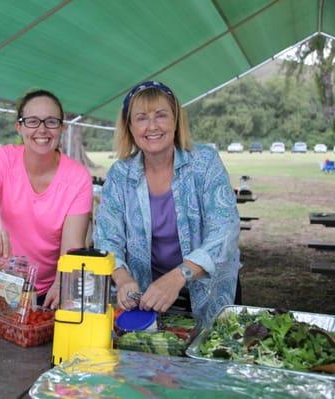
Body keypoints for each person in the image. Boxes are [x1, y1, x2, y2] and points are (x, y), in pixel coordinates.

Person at [94, 81, 240, 326]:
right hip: (146, 297)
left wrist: (178, 276)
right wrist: (122, 278)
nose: (152, 126)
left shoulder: (204, 162)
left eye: (161, 115)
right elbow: (107, 238)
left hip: (207, 291)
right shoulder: (120, 174)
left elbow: (225, 230)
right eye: (141, 118)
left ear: (175, 120)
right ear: (129, 127)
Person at [0, 89, 93, 309]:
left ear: (61, 127)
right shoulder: (1, 159)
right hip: (7, 283)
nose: (42, 129)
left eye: (51, 122)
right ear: (20, 126)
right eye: (33, 121)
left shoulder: (78, 177)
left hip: (51, 290)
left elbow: (72, 247)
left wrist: (62, 281)